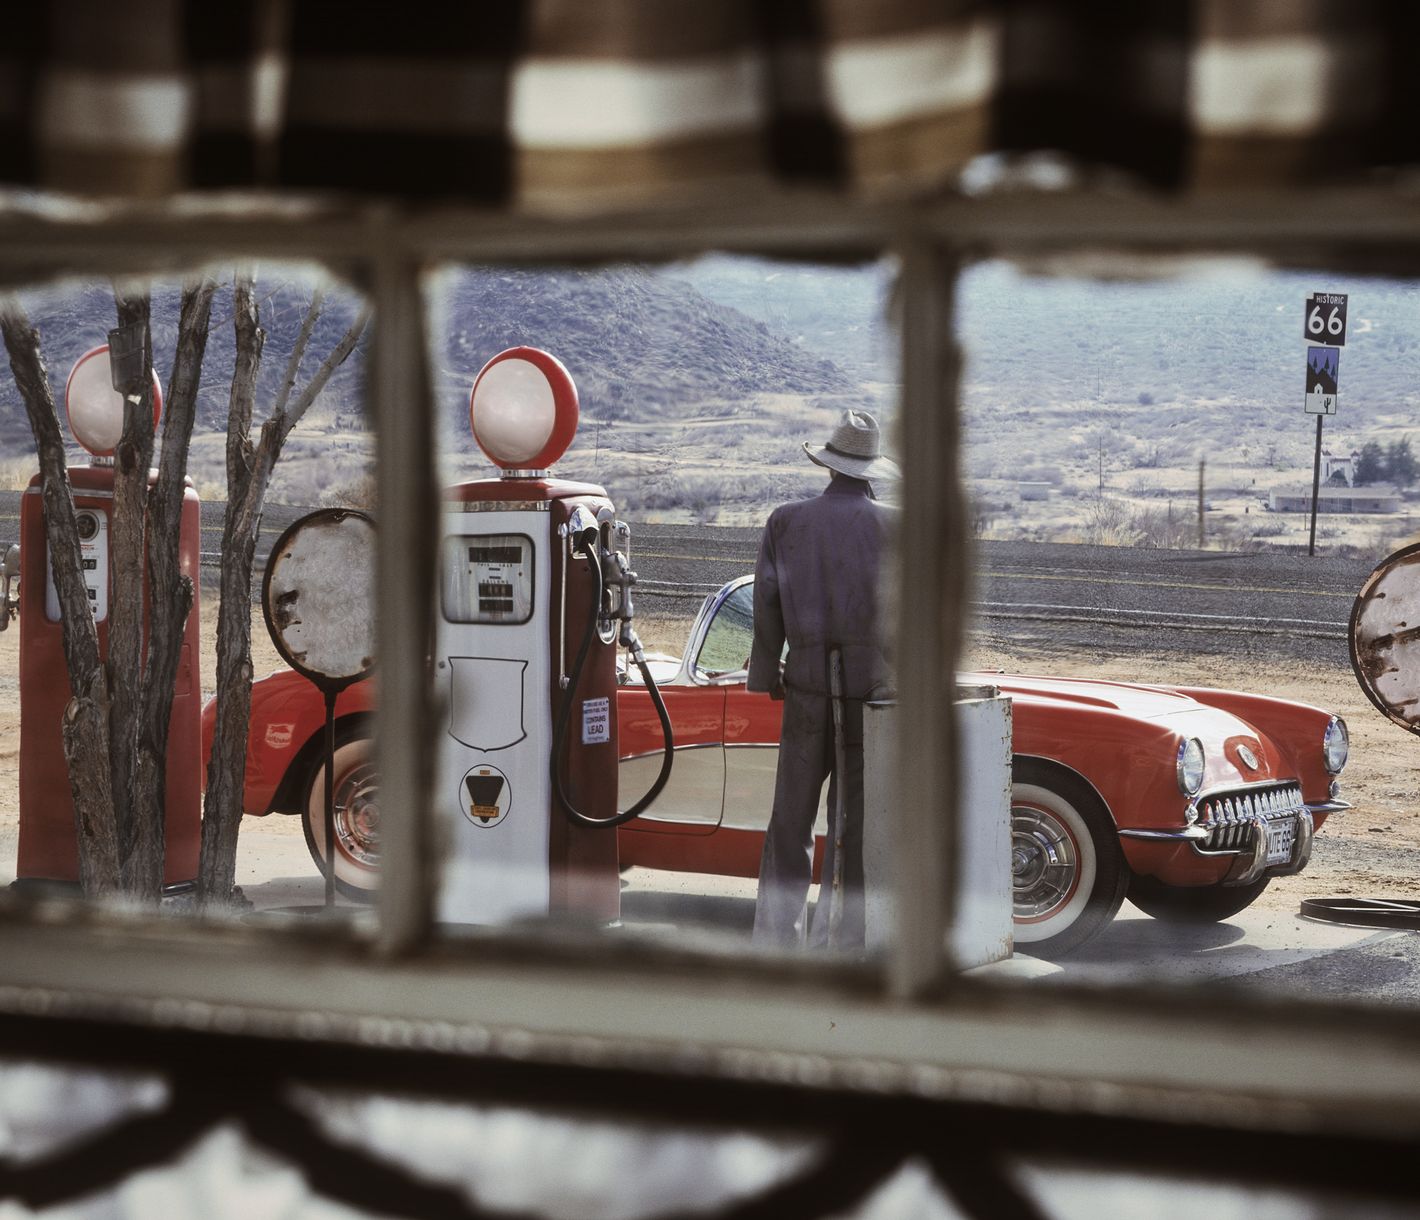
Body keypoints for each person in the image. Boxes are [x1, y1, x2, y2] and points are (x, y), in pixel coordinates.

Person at [747, 409, 899, 949]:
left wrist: (767, 673)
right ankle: (841, 943)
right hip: (873, 699)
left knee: (790, 821)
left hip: (806, 690)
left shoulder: (786, 521)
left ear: (829, 467)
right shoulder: (896, 527)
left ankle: (774, 940)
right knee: (851, 828)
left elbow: (766, 605)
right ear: (870, 471)